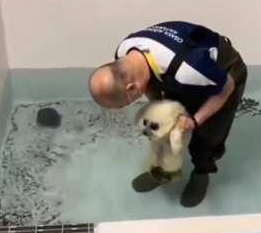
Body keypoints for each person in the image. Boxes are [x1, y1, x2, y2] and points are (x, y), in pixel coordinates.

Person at [88, 21, 247, 207]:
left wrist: (195, 121)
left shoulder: (187, 69)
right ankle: (163, 171)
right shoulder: (124, 52)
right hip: (184, 67)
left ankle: (201, 173)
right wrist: (160, 107)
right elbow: (147, 84)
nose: (123, 107)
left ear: (131, 88)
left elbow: (226, 87)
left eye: (122, 104)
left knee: (206, 134)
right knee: (162, 127)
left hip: (224, 73)